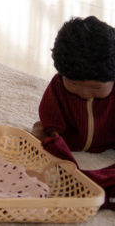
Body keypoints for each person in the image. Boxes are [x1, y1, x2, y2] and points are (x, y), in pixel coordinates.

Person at [32, 16, 115, 209]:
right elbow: (50, 113)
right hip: (71, 136)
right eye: (75, 84)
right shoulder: (59, 87)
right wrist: (53, 135)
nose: (85, 93)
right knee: (40, 136)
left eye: (95, 88)